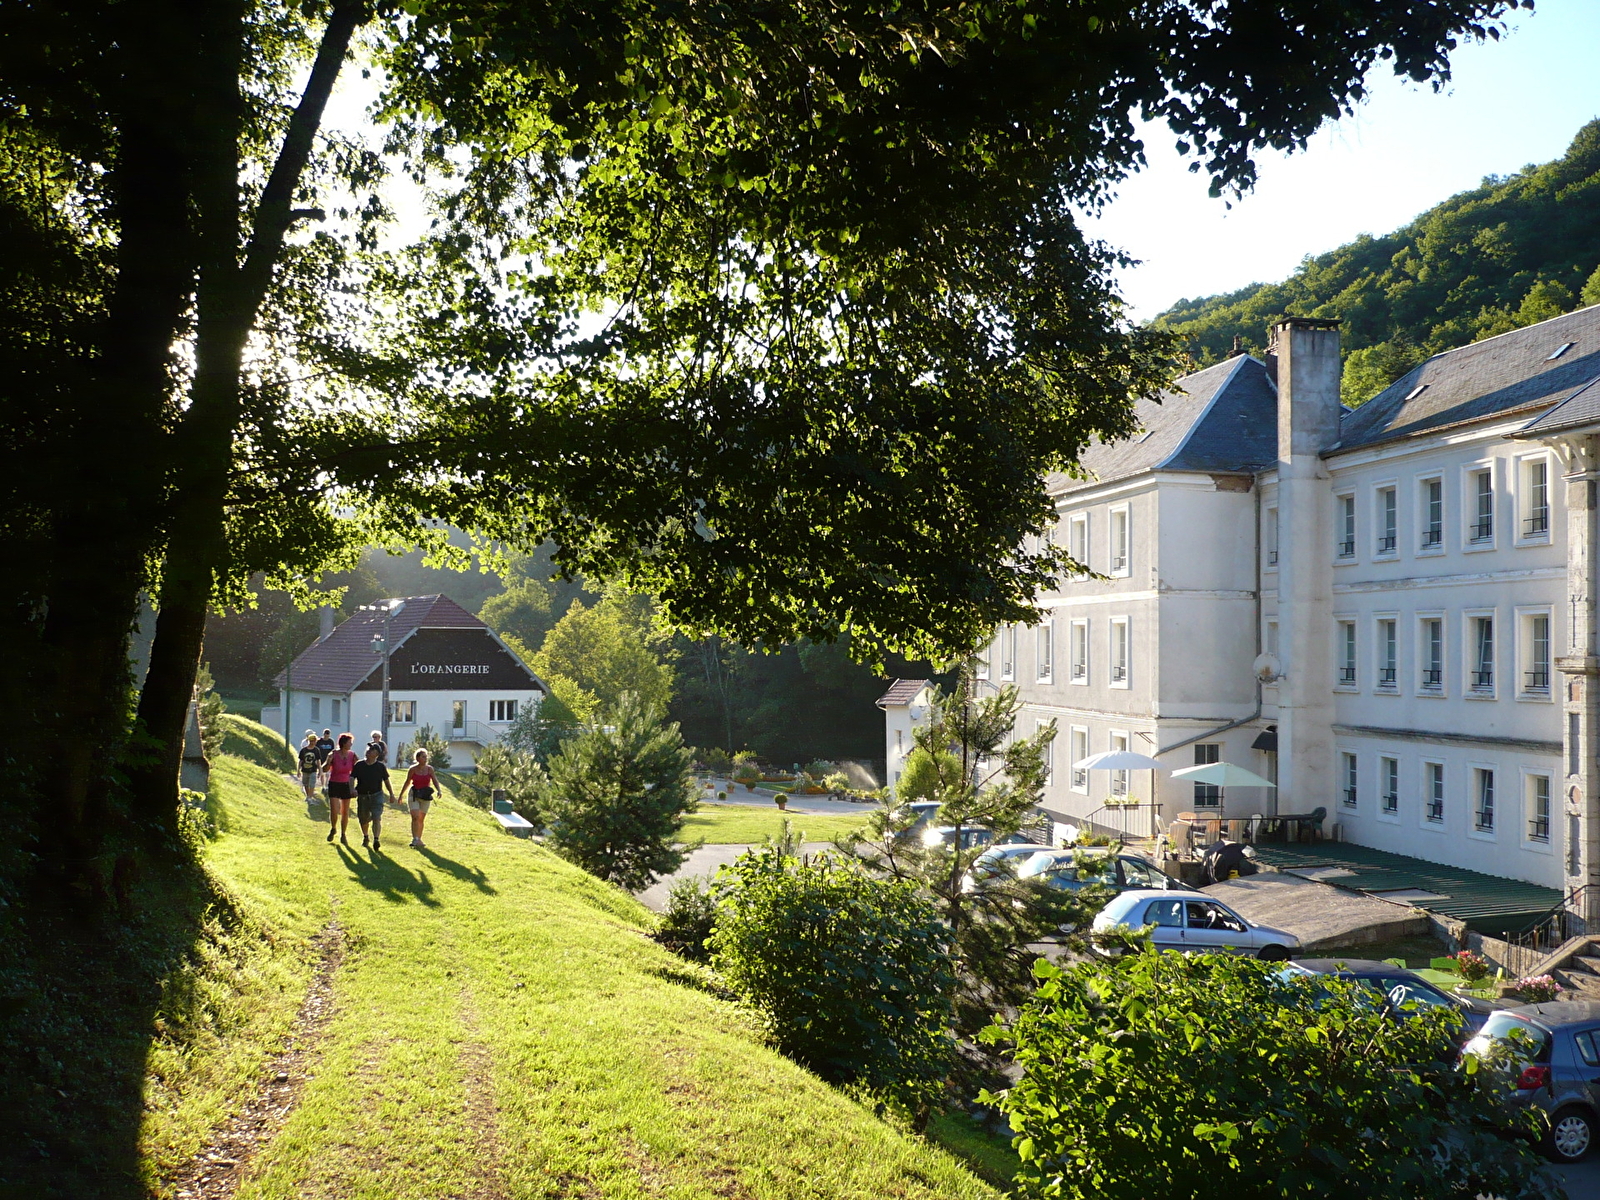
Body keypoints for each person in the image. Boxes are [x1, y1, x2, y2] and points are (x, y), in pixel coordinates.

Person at [350, 743, 395, 850]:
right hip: (363, 796)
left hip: (377, 795)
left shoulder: (380, 767)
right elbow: (351, 777)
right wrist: (352, 789)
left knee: (376, 817)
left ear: (377, 754)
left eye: (371, 750)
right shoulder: (359, 765)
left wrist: (391, 794)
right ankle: (366, 836)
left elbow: (386, 781)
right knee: (363, 819)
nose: (368, 751)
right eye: (368, 749)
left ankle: (376, 839)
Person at [398, 748, 437, 850]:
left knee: (421, 818)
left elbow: (434, 780)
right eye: (423, 757)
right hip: (414, 795)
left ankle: (419, 839)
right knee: (415, 816)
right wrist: (401, 795)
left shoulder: (430, 769)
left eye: (426, 757)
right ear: (418, 758)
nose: (425, 758)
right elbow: (407, 782)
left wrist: (439, 790)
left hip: (425, 795)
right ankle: (415, 839)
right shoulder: (413, 769)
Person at [324, 733, 358, 845]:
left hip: (346, 784)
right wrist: (328, 761)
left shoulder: (352, 755)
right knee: (334, 810)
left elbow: (357, 770)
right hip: (334, 783)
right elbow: (324, 769)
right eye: (349, 742)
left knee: (345, 811)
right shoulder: (333, 754)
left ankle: (343, 834)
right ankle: (333, 828)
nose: (351, 744)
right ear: (343, 743)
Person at [296, 732, 320, 801]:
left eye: (314, 741)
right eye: (311, 741)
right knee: (305, 784)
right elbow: (300, 761)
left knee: (312, 784)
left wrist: (320, 771)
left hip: (313, 770)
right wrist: (298, 770)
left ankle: (310, 797)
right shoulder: (303, 750)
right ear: (309, 741)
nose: (313, 742)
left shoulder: (316, 750)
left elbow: (318, 761)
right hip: (305, 770)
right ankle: (308, 796)